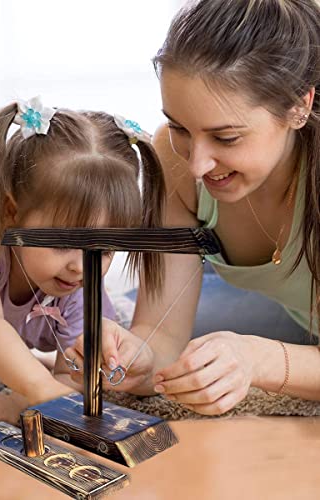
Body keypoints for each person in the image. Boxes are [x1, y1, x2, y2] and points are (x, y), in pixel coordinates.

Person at [67, 0, 320, 416]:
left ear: (298, 106)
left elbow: (252, 358)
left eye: (227, 138)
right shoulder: (172, 155)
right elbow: (162, 338)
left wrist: (256, 359)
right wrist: (139, 359)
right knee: (133, 329)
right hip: (287, 310)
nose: (197, 165)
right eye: (181, 127)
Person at [0, 97, 165, 428]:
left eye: (103, 250)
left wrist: (24, 404)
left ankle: (40, 353)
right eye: (64, 243)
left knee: (104, 356)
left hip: (32, 306)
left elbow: (74, 377)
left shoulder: (78, 276)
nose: (81, 267)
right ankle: (25, 362)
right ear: (12, 212)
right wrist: (40, 388)